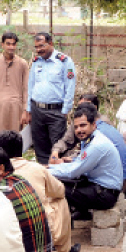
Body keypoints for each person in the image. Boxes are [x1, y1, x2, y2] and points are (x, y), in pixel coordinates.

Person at [0, 130, 80, 252]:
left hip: (5, 233)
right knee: (60, 198)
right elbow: (59, 190)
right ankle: (64, 250)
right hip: (37, 231)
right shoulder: (36, 168)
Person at [49, 104, 123, 218]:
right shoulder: (90, 139)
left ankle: (64, 223)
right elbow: (77, 165)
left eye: (83, 125)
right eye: (76, 127)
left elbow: (73, 171)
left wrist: (46, 171)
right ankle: (82, 213)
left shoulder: (96, 145)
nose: (79, 130)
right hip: (100, 186)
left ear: (93, 125)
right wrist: (51, 168)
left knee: (58, 186)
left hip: (106, 194)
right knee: (69, 180)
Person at [26, 32, 76, 164]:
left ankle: (57, 177)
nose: (39, 50)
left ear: (51, 43)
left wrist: (65, 111)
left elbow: (70, 87)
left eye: (42, 46)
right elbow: (31, 86)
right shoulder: (36, 62)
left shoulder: (64, 61)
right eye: (36, 47)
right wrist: (28, 109)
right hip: (37, 109)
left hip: (56, 111)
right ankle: (42, 172)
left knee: (58, 146)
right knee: (39, 145)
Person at [51, 95, 126, 180]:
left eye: (84, 108)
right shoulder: (85, 123)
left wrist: (47, 170)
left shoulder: (100, 130)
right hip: (108, 173)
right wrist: (55, 153)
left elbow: (75, 169)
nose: (81, 110)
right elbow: (66, 140)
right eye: (79, 108)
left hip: (109, 178)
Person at [0, 31, 28, 132]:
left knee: (15, 138)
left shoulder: (22, 64)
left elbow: (26, 89)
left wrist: (25, 110)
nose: (11, 47)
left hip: (16, 107)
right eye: (8, 44)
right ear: (2, 45)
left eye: (13, 44)